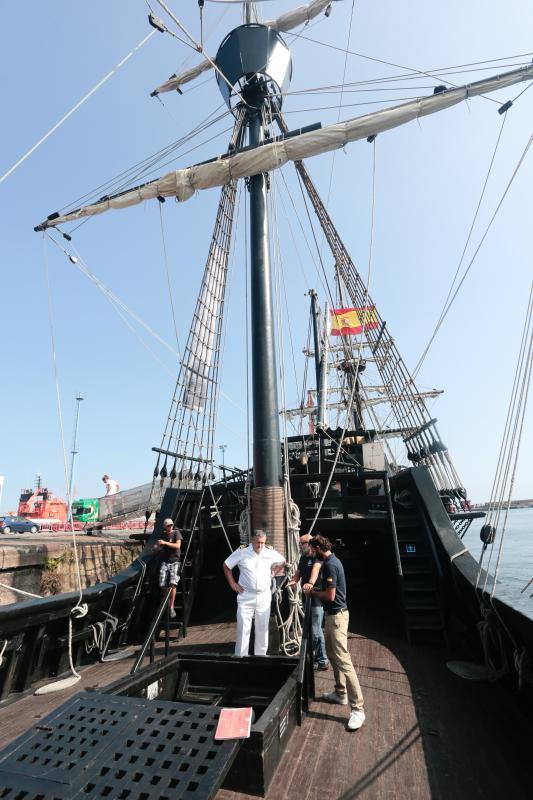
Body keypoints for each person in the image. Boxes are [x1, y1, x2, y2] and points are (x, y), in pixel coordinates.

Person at [304, 535, 365, 731]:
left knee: (344, 661)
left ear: (318, 549)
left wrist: (312, 592)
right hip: (332, 616)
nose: (311, 553)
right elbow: (316, 567)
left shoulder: (331, 565)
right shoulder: (328, 560)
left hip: (337, 617)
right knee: (332, 654)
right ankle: (340, 693)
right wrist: (312, 583)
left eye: (312, 550)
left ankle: (358, 709)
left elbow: (330, 596)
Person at [223, 530, 286, 657]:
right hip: (246, 595)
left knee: (262, 628)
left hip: (263, 595)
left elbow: (282, 561)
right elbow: (226, 565)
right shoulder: (242, 551)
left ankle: (260, 657)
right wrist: (232, 584)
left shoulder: (269, 552)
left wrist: (273, 573)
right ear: (252, 541)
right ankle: (241, 658)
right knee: (243, 628)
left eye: (263, 543)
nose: (260, 545)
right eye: (258, 542)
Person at [288, 533, 329, 671]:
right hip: (307, 598)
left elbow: (315, 570)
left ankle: (323, 660)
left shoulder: (317, 557)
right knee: (310, 630)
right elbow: (298, 572)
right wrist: (294, 580)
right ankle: (314, 657)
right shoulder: (303, 557)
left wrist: (310, 583)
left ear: (309, 544)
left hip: (317, 599)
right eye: (299, 543)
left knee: (316, 631)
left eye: (302, 543)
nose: (299, 545)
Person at [156, 518, 182, 618]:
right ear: (165, 527)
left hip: (175, 561)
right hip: (165, 561)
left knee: (173, 583)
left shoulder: (176, 533)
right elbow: (159, 547)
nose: (170, 527)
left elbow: (178, 546)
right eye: (168, 525)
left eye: (171, 525)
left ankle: (171, 606)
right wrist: (157, 547)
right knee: (162, 583)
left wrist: (165, 543)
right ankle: (167, 598)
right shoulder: (163, 535)